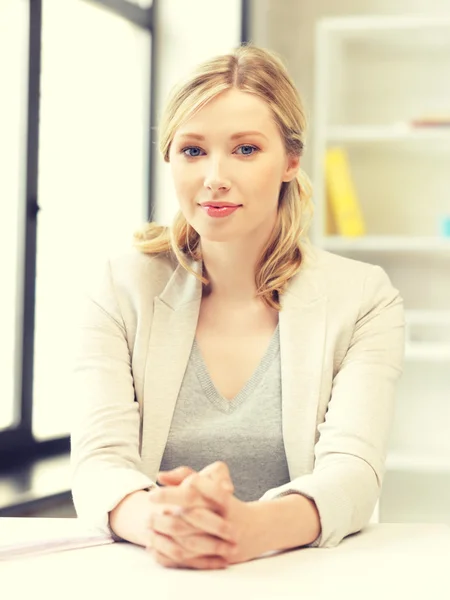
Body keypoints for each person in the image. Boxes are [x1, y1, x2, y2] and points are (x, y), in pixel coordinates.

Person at [70, 44, 405, 571]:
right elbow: (98, 466)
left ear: (291, 159)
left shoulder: (363, 297)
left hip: (301, 578)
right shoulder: (120, 285)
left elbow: (353, 472)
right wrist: (164, 521)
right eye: (193, 150)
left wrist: (246, 529)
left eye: (246, 150)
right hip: (154, 575)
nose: (214, 177)